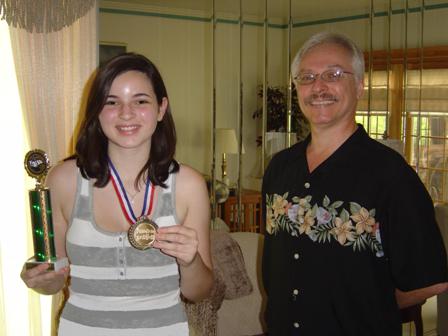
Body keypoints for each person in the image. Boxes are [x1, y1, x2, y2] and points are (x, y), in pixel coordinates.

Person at [261, 31, 448, 336]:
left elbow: (430, 278)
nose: (318, 86)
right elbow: (274, 266)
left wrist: (371, 303)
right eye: (306, 77)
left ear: (360, 85)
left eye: (333, 74)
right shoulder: (280, 167)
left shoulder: (390, 174)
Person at [20, 53, 213, 335]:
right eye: (112, 102)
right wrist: (40, 278)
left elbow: (200, 292)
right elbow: (56, 280)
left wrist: (190, 260)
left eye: (140, 101)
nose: (126, 113)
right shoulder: (63, 180)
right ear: (97, 110)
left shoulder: (188, 185)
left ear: (161, 108)